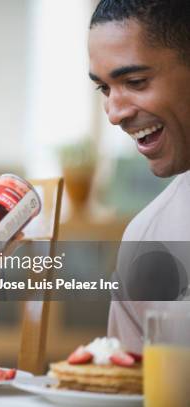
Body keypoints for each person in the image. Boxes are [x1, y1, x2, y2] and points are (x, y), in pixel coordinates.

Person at [88, 0, 190, 352]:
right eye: (103, 88)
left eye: (135, 81)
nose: (114, 113)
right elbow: (136, 390)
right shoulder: (147, 241)